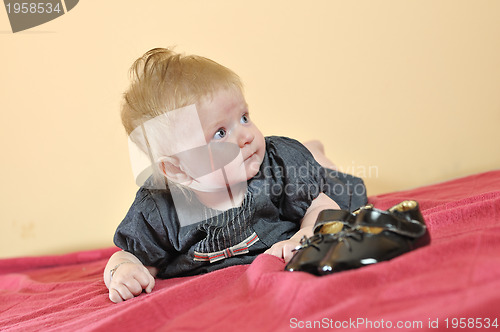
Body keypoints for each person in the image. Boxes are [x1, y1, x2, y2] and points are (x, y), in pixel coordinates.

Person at [104, 48, 367, 303]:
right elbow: (130, 257)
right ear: (177, 169)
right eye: (220, 133)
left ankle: (315, 155)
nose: (246, 135)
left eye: (244, 117)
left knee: (331, 179)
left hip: (318, 185)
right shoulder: (159, 210)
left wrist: (307, 233)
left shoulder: (278, 168)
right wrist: (122, 272)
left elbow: (320, 203)